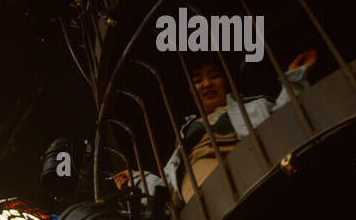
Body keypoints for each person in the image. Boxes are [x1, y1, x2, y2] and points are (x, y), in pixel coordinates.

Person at [114, 49, 317, 207]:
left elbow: (286, 120)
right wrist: (135, 179)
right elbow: (164, 187)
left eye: (213, 75)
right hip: (204, 205)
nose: (207, 84)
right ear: (191, 91)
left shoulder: (254, 107)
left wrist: (295, 76)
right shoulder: (183, 140)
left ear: (224, 80)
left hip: (255, 180)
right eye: (198, 80)